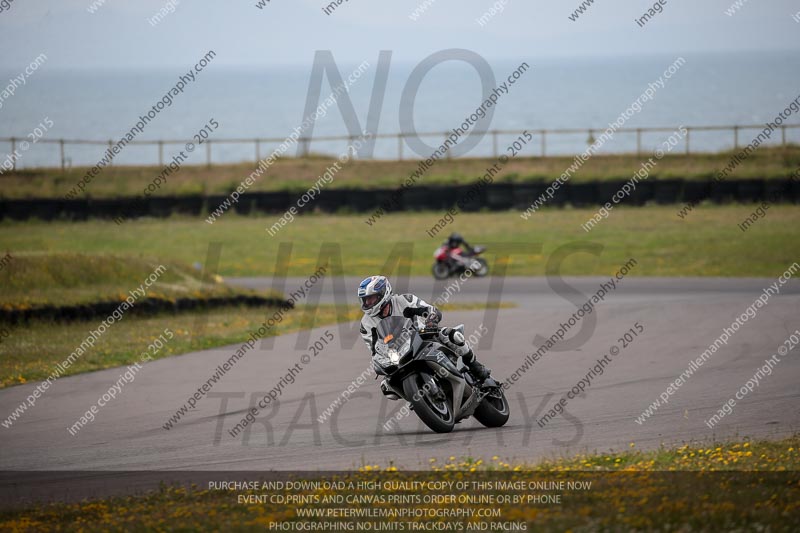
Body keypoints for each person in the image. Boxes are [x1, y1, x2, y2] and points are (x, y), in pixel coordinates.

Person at [357, 275, 491, 397]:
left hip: (423, 335)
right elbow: (375, 349)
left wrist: (431, 321)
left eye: (370, 298)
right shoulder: (366, 324)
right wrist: (379, 363)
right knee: (387, 386)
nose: (367, 303)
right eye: (365, 300)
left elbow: (430, 310)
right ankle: (418, 397)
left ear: (383, 294)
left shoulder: (404, 300)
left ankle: (475, 366)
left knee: (452, 335)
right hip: (396, 352)